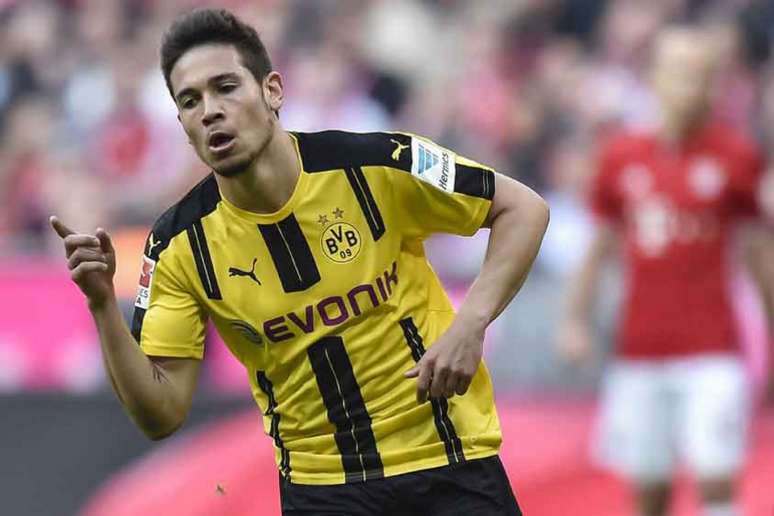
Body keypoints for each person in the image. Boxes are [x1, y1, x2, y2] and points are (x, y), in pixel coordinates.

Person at [50, 8, 549, 516]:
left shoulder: (375, 164)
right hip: (322, 488)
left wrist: (471, 324)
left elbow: (523, 208)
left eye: (226, 87)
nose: (210, 111)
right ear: (182, 124)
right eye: (191, 101)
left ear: (272, 91)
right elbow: (161, 414)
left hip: (448, 460)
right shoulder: (177, 244)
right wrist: (102, 306)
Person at [558, 26, 774, 516]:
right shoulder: (621, 156)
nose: (691, 86)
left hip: (715, 349)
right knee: (650, 491)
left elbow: (760, 252)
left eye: (702, 76)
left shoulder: (737, 157)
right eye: (679, 72)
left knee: (717, 476)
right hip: (641, 348)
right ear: (654, 78)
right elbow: (598, 249)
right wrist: (575, 320)